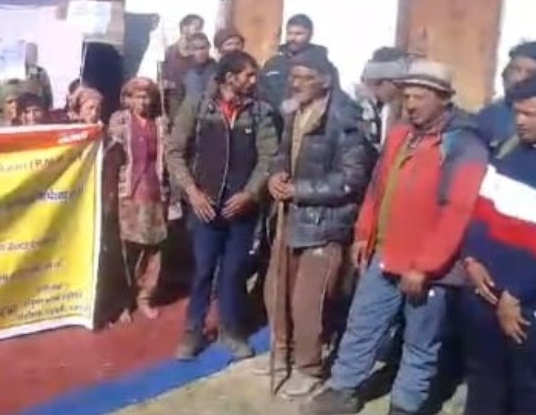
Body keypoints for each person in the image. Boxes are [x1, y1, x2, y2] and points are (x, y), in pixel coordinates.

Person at [303, 61, 488, 415]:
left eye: (420, 96)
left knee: (421, 341)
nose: (411, 104)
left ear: (443, 98)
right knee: (363, 323)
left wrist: (425, 266)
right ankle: (343, 388)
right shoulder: (401, 134)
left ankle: (405, 405)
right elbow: (377, 187)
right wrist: (364, 233)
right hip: (385, 252)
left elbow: (457, 212)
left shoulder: (464, 144)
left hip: (430, 268)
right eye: (407, 96)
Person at [460, 72, 536, 415]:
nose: (520, 121)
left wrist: (515, 294)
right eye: (517, 112)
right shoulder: (509, 150)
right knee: (484, 388)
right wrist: (471, 258)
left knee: (534, 395)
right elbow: (481, 209)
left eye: (530, 114)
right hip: (485, 295)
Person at [264, 48, 374, 398]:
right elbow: (281, 153)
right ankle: (281, 352)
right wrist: (276, 175)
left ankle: (308, 366)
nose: (295, 84)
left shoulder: (345, 119)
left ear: (325, 81)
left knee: (308, 300)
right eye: (293, 77)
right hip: (291, 215)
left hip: (325, 223)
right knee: (276, 290)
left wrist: (300, 190)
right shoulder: (296, 112)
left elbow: (352, 178)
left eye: (304, 78)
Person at [165, 50, 279, 361]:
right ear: (230, 78)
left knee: (234, 271)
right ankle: (193, 330)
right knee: (203, 270)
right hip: (205, 205)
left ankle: (231, 329)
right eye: (248, 75)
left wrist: (250, 194)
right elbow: (174, 151)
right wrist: (192, 191)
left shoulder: (260, 112)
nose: (253, 80)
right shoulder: (198, 105)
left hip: (241, 208)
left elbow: (268, 158)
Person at [106, 78, 170, 323]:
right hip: (128, 192)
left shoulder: (161, 123)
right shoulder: (120, 122)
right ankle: (123, 299)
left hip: (154, 191)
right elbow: (112, 157)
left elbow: (169, 156)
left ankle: (145, 296)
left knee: (153, 248)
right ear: (128, 99)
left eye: (147, 96)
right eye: (138, 97)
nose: (143, 101)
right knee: (126, 247)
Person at [258, 14, 334, 111]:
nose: (293, 38)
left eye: (299, 34)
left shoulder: (322, 64)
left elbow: (331, 95)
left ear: (310, 34)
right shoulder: (274, 63)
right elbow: (262, 89)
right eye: (290, 33)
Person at [358, 47, 410, 149]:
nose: (374, 92)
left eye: (378, 84)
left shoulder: (413, 115)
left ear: (395, 82)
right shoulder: (385, 110)